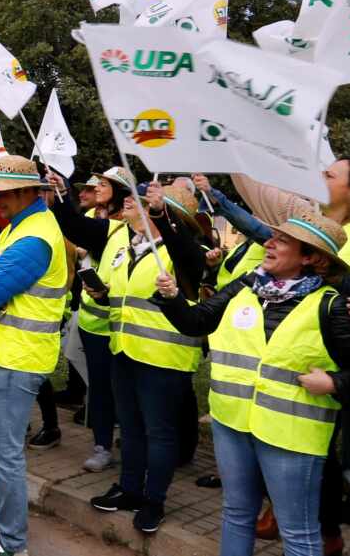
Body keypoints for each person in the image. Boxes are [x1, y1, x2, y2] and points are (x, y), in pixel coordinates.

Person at [158, 211, 350, 556]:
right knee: (237, 514)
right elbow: (195, 322)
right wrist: (173, 297)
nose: (268, 243)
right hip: (231, 422)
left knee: (298, 532)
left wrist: (335, 382)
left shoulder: (332, 307)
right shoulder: (246, 286)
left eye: (282, 241)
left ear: (311, 257)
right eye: (272, 236)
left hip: (292, 435)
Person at [78, 184, 207, 534]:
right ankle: (130, 489)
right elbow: (126, 301)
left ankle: (155, 500)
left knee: (159, 433)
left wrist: (161, 216)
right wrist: (103, 294)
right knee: (131, 427)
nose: (132, 202)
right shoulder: (128, 245)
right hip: (124, 350)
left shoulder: (186, 250)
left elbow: (190, 262)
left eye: (145, 200)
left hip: (164, 357)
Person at [0, 156, 67, 556]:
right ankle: (2, 516)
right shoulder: (20, 227)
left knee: (4, 453)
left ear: (26, 192)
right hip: (1, 352)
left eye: (2, 194)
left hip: (16, 359)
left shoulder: (34, 238)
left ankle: (11, 540)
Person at [48, 166, 135, 473]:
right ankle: (102, 445)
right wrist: (63, 193)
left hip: (122, 327)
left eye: (105, 183)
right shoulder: (97, 223)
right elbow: (72, 225)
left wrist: (62, 194)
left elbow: (70, 224)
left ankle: (129, 441)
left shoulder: (116, 229)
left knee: (123, 390)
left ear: (122, 193)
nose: (97, 186)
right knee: (99, 387)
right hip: (94, 324)